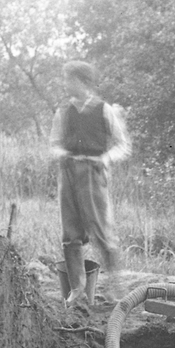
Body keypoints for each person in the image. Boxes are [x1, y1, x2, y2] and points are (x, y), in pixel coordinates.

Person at [49, 61, 132, 311]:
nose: (65, 84)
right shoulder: (64, 111)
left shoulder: (104, 110)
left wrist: (105, 159)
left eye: (69, 79)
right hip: (69, 172)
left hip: (93, 173)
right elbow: (54, 144)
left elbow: (122, 145)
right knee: (71, 234)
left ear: (82, 81)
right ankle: (78, 290)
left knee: (102, 232)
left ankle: (116, 289)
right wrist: (61, 154)